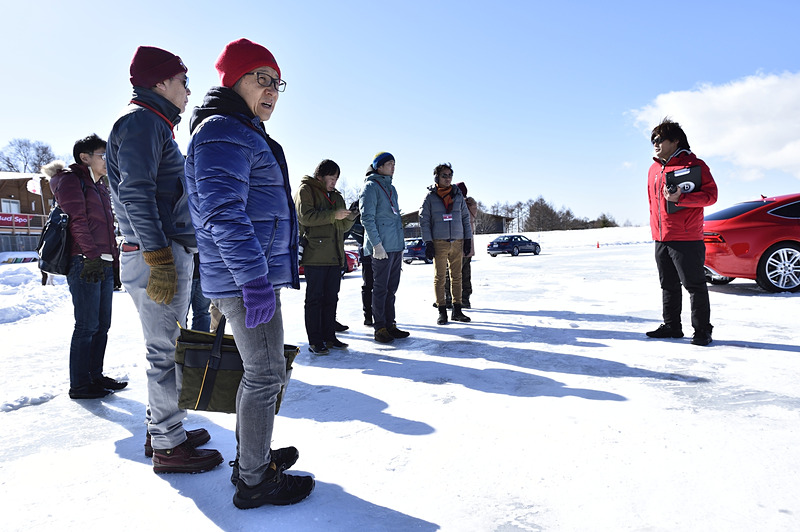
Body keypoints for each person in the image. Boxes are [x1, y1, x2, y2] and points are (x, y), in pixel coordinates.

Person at [184, 37, 314, 508]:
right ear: (234, 78)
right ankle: (256, 480)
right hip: (245, 280)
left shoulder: (239, 130)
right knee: (265, 374)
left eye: (278, 82)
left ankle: (252, 457)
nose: (272, 90)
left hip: (246, 276)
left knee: (260, 372)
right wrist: (255, 280)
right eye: (263, 78)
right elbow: (223, 212)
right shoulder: (223, 131)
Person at [106, 46, 221, 473]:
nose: (188, 91)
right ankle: (169, 446)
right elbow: (136, 193)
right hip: (156, 252)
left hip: (163, 248)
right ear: (159, 82)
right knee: (165, 350)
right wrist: (158, 256)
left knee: (167, 346)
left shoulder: (154, 122)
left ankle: (162, 429)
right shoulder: (141, 122)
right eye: (183, 81)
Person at [44, 134, 125, 399]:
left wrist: (114, 264)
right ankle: (79, 385)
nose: (109, 160)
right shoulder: (70, 180)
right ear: (85, 157)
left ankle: (95, 376)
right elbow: (77, 220)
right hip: (84, 261)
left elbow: (108, 230)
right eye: (104, 155)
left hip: (102, 261)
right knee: (86, 325)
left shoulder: (100, 185)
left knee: (102, 325)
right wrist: (91, 256)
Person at [646, 118, 718, 346]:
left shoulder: (695, 165)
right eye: (652, 140)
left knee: (694, 285)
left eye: (659, 139)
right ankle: (672, 326)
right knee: (668, 285)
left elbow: (711, 196)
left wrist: (682, 198)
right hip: (661, 237)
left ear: (675, 140)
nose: (655, 143)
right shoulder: (654, 169)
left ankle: (702, 331)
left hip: (686, 237)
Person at [295, 159, 357, 355]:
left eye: (336, 179)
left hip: (334, 255)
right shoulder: (306, 190)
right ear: (319, 176)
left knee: (331, 299)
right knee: (314, 300)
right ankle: (315, 341)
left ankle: (330, 336)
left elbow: (342, 226)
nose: (334, 182)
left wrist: (351, 216)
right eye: (331, 178)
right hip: (315, 255)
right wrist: (333, 215)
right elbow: (305, 217)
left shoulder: (336, 196)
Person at [359, 152, 410, 343]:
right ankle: (379, 327)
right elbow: (367, 218)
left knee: (391, 289)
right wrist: (376, 245)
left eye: (394, 164)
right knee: (380, 289)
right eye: (389, 164)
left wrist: (400, 245)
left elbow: (394, 218)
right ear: (378, 166)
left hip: (395, 246)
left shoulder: (392, 188)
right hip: (381, 248)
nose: (393, 167)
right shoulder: (370, 187)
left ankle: (390, 324)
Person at [419, 163, 472, 325]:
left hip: (457, 241)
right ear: (437, 177)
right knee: (440, 277)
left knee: (457, 277)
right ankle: (442, 311)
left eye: (450, 175)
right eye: (444, 175)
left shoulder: (458, 196)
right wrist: (428, 242)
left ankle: (457, 310)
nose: (447, 178)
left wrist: (467, 239)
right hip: (439, 242)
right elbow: (424, 221)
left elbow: (465, 218)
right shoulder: (430, 197)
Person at [444, 181, 477, 309]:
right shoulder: (471, 205)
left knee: (452, 273)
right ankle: (465, 298)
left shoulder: (460, 206)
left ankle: (449, 298)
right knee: (465, 273)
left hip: (459, 244)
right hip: (469, 246)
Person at [189, 253, 211, 332]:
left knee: (203, 313)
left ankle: (201, 339)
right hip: (186, 275)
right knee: (179, 315)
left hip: (204, 275)